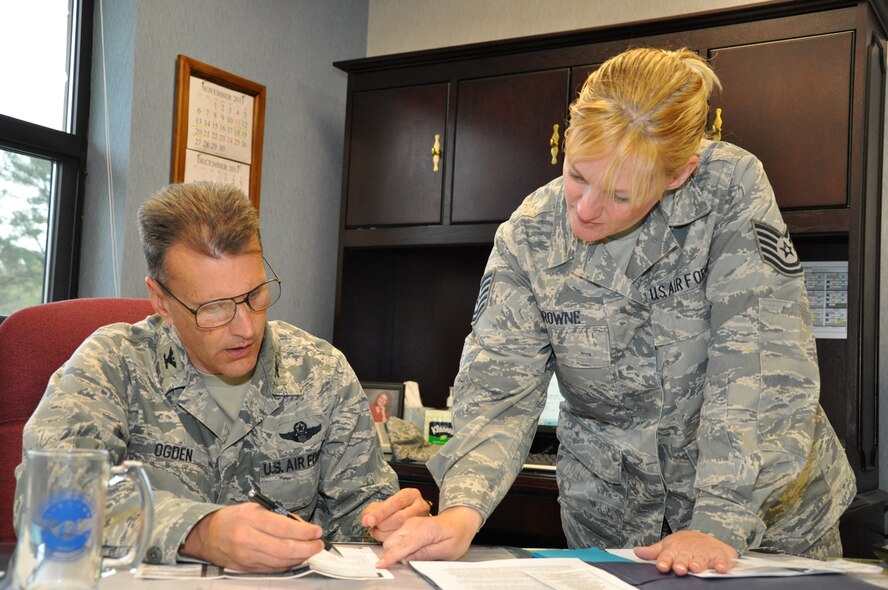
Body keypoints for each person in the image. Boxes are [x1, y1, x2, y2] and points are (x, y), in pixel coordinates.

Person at [374, 47, 856, 575]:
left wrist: (719, 521)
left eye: (620, 195)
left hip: (762, 520)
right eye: (577, 175)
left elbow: (758, 365)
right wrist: (461, 510)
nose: (584, 209)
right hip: (615, 526)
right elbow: (498, 390)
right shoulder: (530, 234)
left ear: (678, 176)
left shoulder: (728, 192)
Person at [14, 183, 429, 572]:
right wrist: (197, 531)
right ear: (160, 299)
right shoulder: (112, 365)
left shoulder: (320, 372)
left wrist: (388, 523)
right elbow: (46, 501)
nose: (246, 328)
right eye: (213, 308)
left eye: (254, 296)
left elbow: (361, 508)